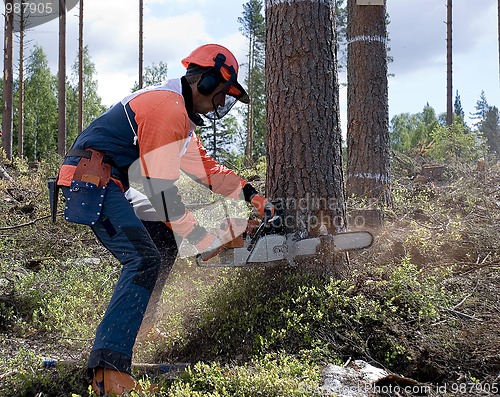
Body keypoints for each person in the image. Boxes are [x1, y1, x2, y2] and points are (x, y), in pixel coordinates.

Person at [55, 43, 272, 395]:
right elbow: (159, 189)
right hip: (92, 179)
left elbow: (207, 170)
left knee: (162, 243)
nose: (220, 105)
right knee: (142, 258)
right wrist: (201, 235)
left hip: (113, 180)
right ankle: (108, 370)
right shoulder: (166, 108)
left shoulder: (181, 121)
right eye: (219, 96)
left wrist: (251, 195)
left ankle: (138, 329)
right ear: (203, 83)